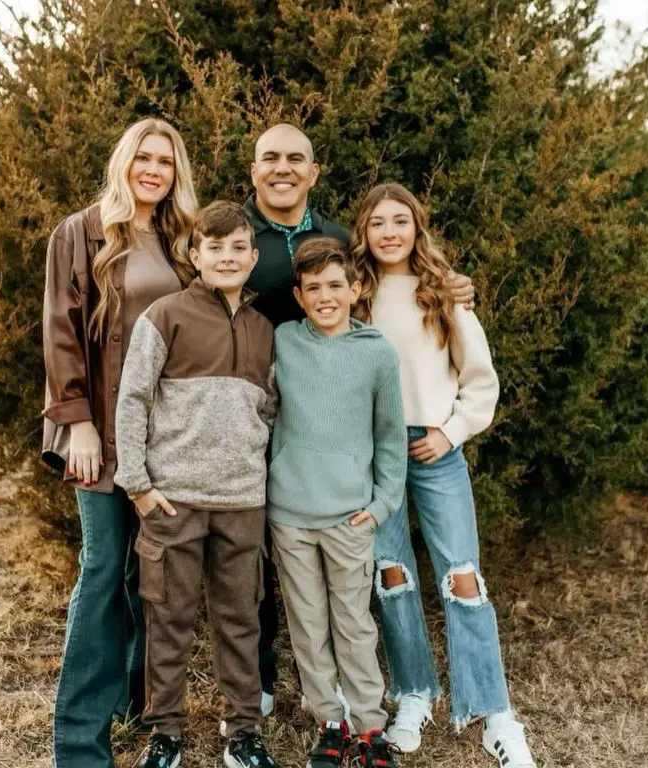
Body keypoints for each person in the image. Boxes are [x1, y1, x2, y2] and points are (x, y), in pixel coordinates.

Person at [244, 123, 477, 716]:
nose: (283, 168)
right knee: (281, 581)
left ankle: (396, 704)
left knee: (365, 592)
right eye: (270, 157)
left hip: (352, 437)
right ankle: (272, 682)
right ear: (254, 170)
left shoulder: (341, 243)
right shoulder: (238, 235)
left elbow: (388, 288)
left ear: (313, 171)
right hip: (271, 417)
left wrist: (447, 284)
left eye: (296, 158)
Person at [351, 182, 537, 768]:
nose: (389, 232)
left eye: (400, 221)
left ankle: (494, 712)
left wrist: (449, 432)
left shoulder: (443, 295)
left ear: (417, 228)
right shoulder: (354, 295)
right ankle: (414, 693)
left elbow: (480, 379)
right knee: (393, 575)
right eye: (377, 222)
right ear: (363, 232)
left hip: (434, 447)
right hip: (373, 455)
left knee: (462, 575)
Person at [41, 117, 197, 768]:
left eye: (165, 161)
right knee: (104, 569)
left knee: (148, 576)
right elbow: (61, 329)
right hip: (99, 432)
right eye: (143, 157)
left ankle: (134, 700)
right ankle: (79, 743)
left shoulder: (183, 237)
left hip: (167, 433)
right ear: (124, 161)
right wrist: (75, 421)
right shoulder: (80, 232)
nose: (153, 170)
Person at [114, 201, 280, 768]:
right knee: (170, 618)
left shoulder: (265, 331)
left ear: (254, 257)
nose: (227, 257)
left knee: (241, 619)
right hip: (173, 499)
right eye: (216, 247)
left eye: (239, 248)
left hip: (242, 502)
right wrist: (137, 484)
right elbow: (132, 398)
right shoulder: (165, 316)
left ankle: (243, 734)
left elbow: (273, 413)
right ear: (195, 254)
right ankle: (166, 734)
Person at [267, 237, 406, 768]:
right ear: (299, 297)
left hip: (351, 515)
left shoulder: (376, 352)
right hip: (290, 513)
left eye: (335, 286)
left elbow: (391, 437)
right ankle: (330, 721)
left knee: (353, 620)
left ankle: (370, 725)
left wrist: (382, 503)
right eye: (313, 289)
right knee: (306, 619)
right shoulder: (283, 341)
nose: (325, 297)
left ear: (355, 288)